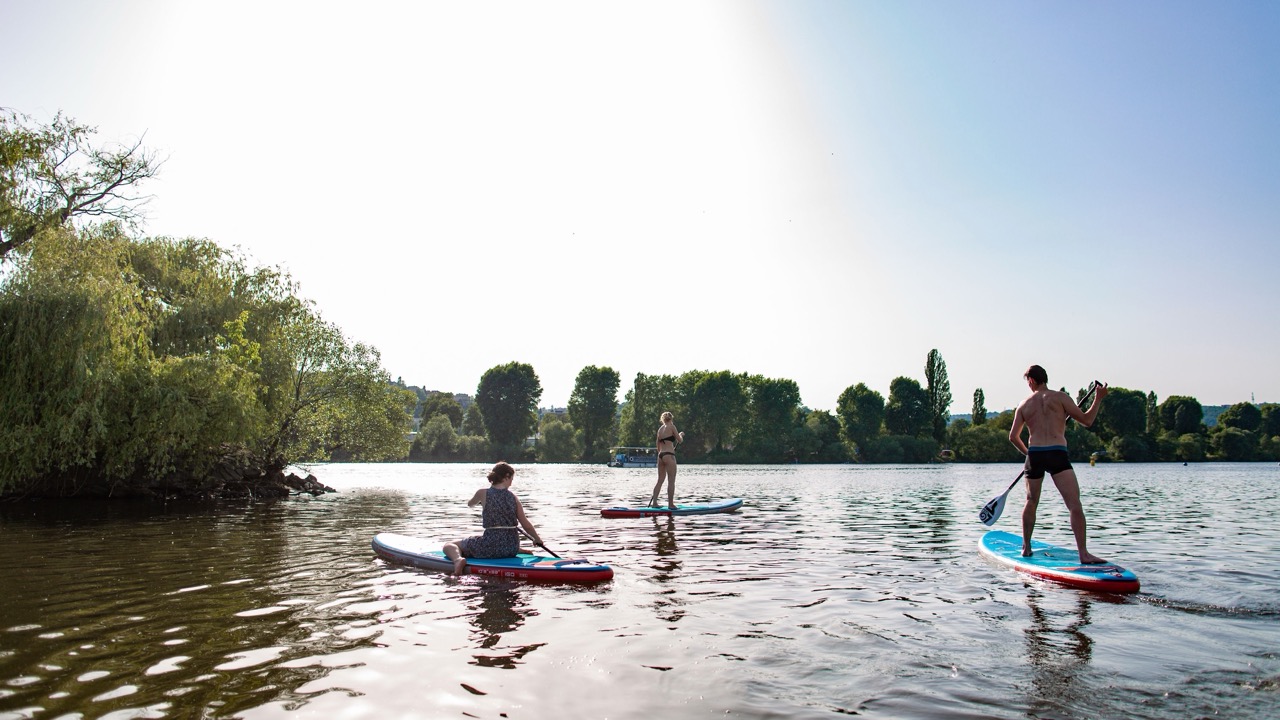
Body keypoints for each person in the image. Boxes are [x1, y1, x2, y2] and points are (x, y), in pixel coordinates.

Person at [1008, 365, 1109, 563]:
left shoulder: (1024, 404)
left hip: (1035, 454)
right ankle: (1083, 554)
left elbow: (1013, 437)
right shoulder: (1061, 398)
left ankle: (1026, 548)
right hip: (1057, 452)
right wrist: (1098, 398)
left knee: (1031, 501)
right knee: (1074, 504)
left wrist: (1029, 454)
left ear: (1031, 381)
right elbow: (1087, 420)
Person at [443, 461, 545, 575]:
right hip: (512, 546)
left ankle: (458, 560)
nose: (511, 482)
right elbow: (525, 523)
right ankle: (518, 550)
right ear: (506, 477)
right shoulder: (513, 497)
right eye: (512, 478)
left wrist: (479, 502)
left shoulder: (482, 493)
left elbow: (470, 504)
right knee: (503, 542)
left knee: (449, 545)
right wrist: (537, 539)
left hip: (490, 546)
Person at [648, 411, 684, 508]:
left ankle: (654, 503)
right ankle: (670, 504)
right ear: (671, 419)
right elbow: (680, 441)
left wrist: (663, 453)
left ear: (662, 419)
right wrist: (681, 434)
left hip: (660, 456)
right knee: (671, 481)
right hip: (669, 455)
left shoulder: (660, 429)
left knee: (660, 480)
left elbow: (658, 446)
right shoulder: (672, 426)